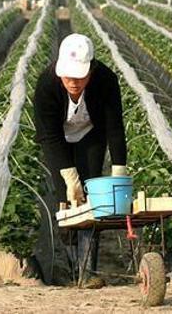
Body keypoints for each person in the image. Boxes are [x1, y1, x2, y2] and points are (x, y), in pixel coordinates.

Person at [34, 33, 128, 289]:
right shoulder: (46, 85)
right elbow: (49, 135)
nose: (73, 82)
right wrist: (68, 174)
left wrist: (119, 168)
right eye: (68, 77)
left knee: (90, 195)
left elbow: (114, 127)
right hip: (58, 139)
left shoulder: (106, 81)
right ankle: (72, 261)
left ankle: (88, 270)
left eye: (79, 77)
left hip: (91, 133)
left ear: (91, 70)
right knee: (65, 196)